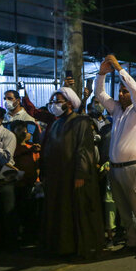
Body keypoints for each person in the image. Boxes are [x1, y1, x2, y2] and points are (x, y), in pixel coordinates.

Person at [95, 54, 136, 259]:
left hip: (134, 168)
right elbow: (100, 94)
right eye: (119, 92)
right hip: (116, 168)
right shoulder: (117, 111)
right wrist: (102, 73)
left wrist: (120, 68)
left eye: (124, 91)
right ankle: (132, 242)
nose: (121, 94)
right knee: (123, 210)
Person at [41, 87, 103, 259]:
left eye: (58, 101)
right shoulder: (55, 123)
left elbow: (84, 150)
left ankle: (80, 248)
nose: (54, 105)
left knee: (77, 212)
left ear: (69, 103)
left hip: (74, 176)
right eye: (52, 102)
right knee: (60, 212)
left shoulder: (81, 122)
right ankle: (61, 247)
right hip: (57, 176)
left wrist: (81, 174)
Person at [0, 104, 16, 254]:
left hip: (5, 175)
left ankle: (10, 246)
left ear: (1, 118)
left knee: (7, 212)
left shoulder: (8, 135)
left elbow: (8, 156)